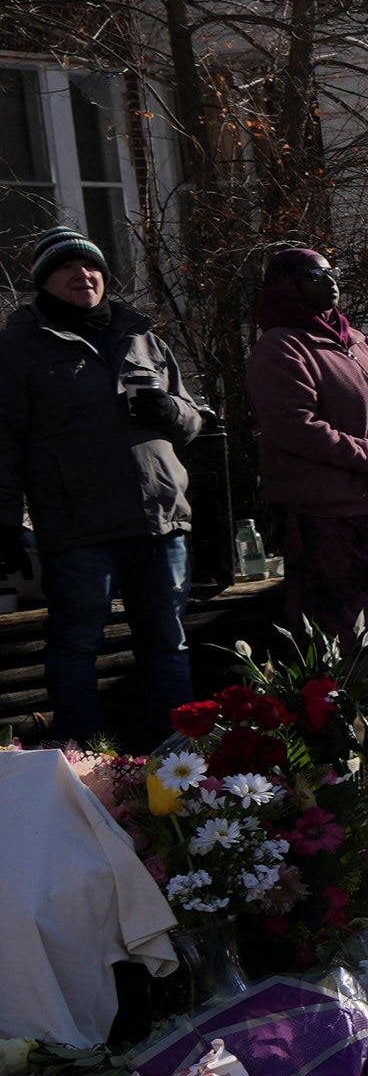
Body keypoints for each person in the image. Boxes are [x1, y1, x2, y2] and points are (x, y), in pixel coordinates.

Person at [0, 228, 202, 743]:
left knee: (167, 644)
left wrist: (168, 409)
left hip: (158, 519)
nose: (82, 275)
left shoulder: (141, 335)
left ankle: (179, 768)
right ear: (44, 282)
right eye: (67, 267)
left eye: (91, 267)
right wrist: (5, 524)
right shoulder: (19, 347)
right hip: (78, 526)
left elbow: (194, 419)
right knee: (76, 646)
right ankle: (84, 764)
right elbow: (3, 443)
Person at [247, 245, 368, 653]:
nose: (330, 283)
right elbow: (295, 425)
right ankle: (343, 712)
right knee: (338, 633)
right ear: (287, 286)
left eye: (332, 273)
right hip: (326, 517)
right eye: (314, 276)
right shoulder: (281, 347)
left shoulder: (359, 341)